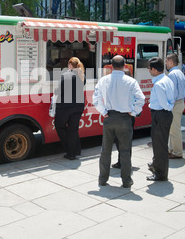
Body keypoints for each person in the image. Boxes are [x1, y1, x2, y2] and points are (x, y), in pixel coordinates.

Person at [93, 55, 145, 188]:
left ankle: (102, 179)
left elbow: (96, 98)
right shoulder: (131, 81)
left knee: (106, 150)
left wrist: (103, 112)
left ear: (111, 66)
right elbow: (141, 99)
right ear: (124, 66)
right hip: (124, 118)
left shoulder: (104, 80)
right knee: (125, 150)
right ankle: (126, 180)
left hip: (109, 117)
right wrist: (133, 112)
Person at [147, 57, 175, 181]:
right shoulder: (167, 79)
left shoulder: (158, 84)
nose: (149, 71)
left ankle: (160, 173)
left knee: (159, 146)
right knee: (161, 144)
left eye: (149, 69)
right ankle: (159, 169)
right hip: (165, 114)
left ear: (154, 69)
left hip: (160, 114)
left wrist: (167, 108)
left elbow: (164, 104)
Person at [54, 57, 86, 160]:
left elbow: (57, 91)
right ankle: (75, 151)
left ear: (70, 65)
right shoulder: (82, 76)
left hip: (65, 107)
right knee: (73, 129)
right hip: (79, 106)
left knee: (59, 125)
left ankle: (69, 149)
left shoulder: (65, 75)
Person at [166, 53, 185, 159]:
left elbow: (172, 92)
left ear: (170, 61)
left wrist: (169, 105)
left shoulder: (172, 74)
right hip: (180, 102)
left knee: (174, 130)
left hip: (175, 104)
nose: (166, 63)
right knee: (174, 129)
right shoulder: (179, 72)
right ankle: (171, 149)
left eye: (166, 61)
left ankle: (177, 152)